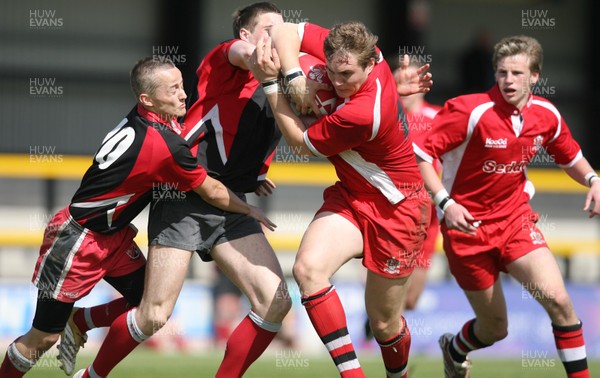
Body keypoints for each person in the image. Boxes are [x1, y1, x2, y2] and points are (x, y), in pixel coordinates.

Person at [0, 58, 274, 378]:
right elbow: (212, 191)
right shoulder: (162, 143)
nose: (183, 95)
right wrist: (246, 208)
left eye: (182, 85)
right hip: (76, 241)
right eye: (173, 90)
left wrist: (249, 172)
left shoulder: (154, 119)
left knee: (149, 305)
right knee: (44, 336)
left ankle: (80, 322)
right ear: (147, 99)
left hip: (113, 236)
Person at [73, 3, 291, 378]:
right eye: (270, 30)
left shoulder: (278, 81)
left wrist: (254, 173)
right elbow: (248, 57)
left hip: (232, 202)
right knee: (154, 315)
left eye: (286, 30)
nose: (282, 38)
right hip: (185, 198)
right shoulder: (229, 58)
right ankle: (90, 373)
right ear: (245, 36)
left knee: (276, 302)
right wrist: (297, 59)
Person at [249, 20, 433, 377]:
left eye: (347, 74)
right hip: (352, 195)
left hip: (398, 209)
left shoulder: (364, 114)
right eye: (332, 70)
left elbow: (301, 145)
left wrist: (273, 85)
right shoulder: (353, 54)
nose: (337, 80)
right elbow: (286, 31)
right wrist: (294, 75)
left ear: (371, 64)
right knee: (307, 270)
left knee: (383, 324)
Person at [413, 35, 595, 378]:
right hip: (467, 232)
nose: (508, 80)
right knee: (495, 328)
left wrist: (592, 180)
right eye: (502, 73)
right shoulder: (469, 110)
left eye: (516, 73)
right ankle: (455, 349)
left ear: (535, 76)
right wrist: (446, 203)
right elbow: (421, 155)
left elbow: (571, 157)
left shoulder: (546, 115)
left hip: (515, 223)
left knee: (559, 302)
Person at [364, 61, 442, 340]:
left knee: (410, 301)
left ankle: (378, 317)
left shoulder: (439, 117)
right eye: (398, 81)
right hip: (390, 209)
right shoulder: (386, 118)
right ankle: (380, 321)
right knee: (382, 276)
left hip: (428, 217)